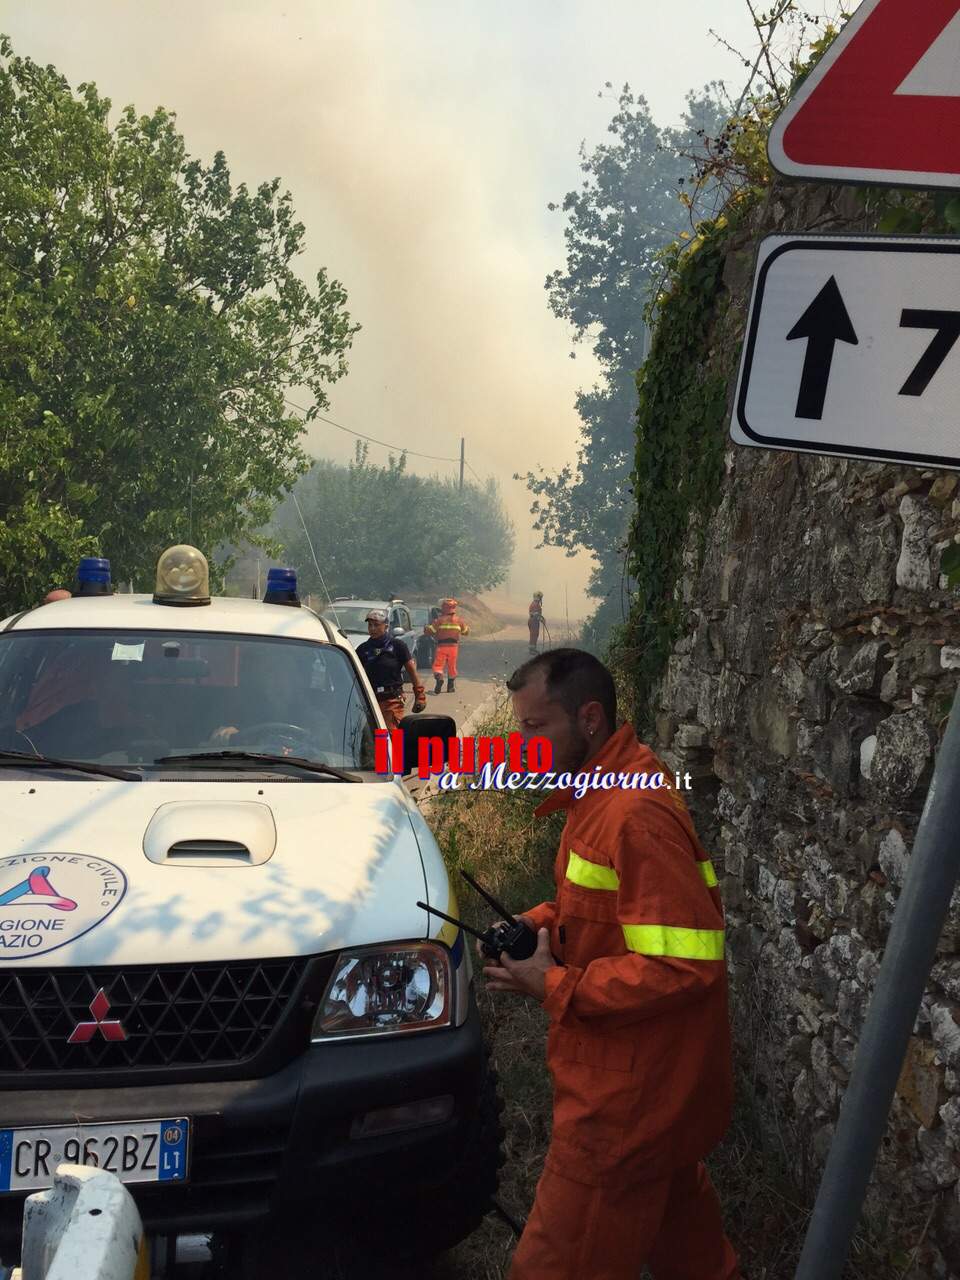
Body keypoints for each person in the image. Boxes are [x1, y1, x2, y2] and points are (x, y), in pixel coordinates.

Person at [483, 648, 739, 1280]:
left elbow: (685, 963)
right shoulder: (602, 794)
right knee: (692, 1251)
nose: (523, 745)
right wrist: (537, 924)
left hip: (625, 1099)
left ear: (589, 718)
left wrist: (553, 984)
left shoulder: (633, 814)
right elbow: (596, 906)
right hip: (651, 1089)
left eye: (536, 728)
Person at [356, 609, 425, 729]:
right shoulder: (363, 649)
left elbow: (412, 671)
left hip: (392, 701)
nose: (372, 628)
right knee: (369, 740)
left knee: (393, 738)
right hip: (369, 702)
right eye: (370, 625)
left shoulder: (397, 646)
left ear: (386, 626)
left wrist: (420, 696)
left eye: (376, 625)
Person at [424, 597, 470, 695]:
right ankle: (450, 687)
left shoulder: (439, 620)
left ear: (443, 608)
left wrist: (426, 628)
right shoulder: (459, 620)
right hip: (454, 647)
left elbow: (430, 631)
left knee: (438, 666)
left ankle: (439, 679)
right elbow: (466, 632)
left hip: (442, 646)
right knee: (452, 666)